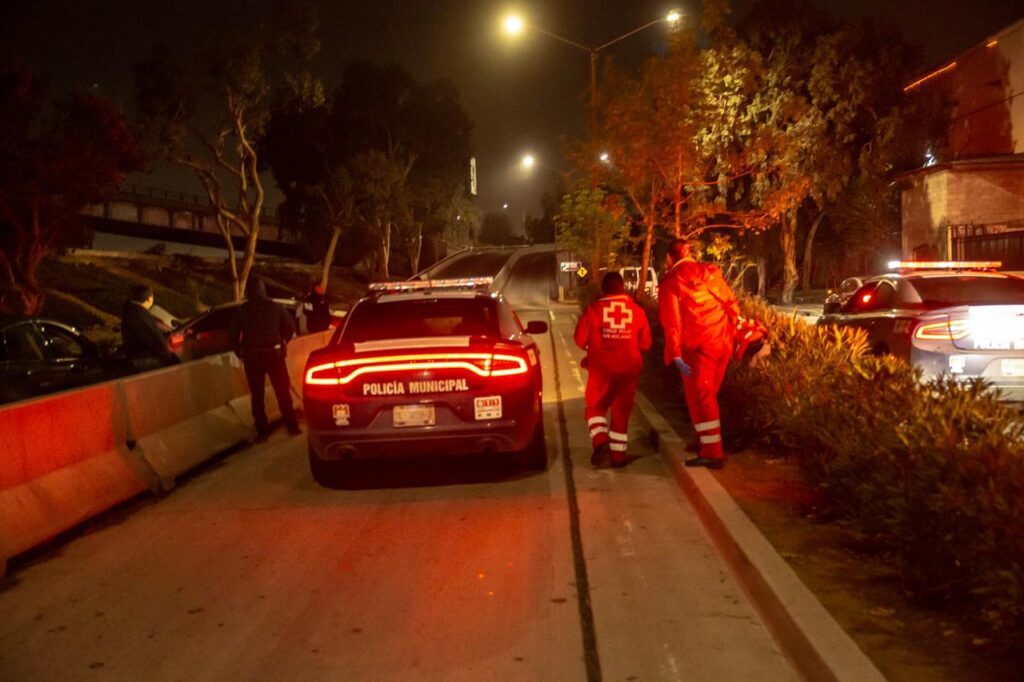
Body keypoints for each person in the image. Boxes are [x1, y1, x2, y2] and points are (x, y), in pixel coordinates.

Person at [659, 238, 739, 469]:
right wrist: (730, 334)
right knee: (707, 395)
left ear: (669, 257)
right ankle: (703, 442)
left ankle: (713, 453)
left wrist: (674, 354)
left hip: (698, 348)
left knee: (701, 399)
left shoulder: (672, 282)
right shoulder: (711, 272)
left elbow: (672, 324)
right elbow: (732, 303)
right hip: (722, 342)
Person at [574, 272, 652, 467]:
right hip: (628, 370)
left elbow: (579, 339)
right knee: (621, 412)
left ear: (603, 288)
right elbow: (646, 344)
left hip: (602, 369)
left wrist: (592, 347)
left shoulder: (594, 310)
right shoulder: (637, 312)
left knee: (595, 407)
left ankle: (600, 442)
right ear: (623, 287)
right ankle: (618, 457)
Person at [228, 275, 301, 442]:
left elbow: (232, 335)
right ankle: (292, 426)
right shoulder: (275, 308)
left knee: (257, 396)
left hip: (253, 357)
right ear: (263, 291)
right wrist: (283, 342)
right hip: (274, 355)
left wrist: (240, 351)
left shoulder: (243, 311)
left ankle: (262, 432)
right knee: (283, 392)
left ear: (249, 292)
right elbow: (290, 327)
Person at [121, 285, 178, 371]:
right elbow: (155, 338)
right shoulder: (140, 315)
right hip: (144, 359)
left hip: (135, 355)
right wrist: (168, 358)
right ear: (149, 299)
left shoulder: (131, 309)